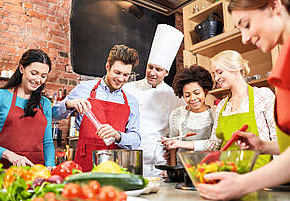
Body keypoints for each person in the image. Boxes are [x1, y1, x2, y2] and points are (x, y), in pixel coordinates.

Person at [196, 0, 290, 200]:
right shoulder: (284, 65)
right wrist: (263, 146)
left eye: (246, 24)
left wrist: (243, 183)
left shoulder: (264, 94)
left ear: (274, 5)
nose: (245, 39)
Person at [53, 44, 141, 171]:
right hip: (85, 163)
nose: (121, 79)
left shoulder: (131, 101)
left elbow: (136, 139)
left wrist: (118, 135)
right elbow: (52, 115)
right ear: (107, 67)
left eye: (126, 75)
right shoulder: (84, 89)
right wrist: (67, 104)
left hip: (115, 167)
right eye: (117, 73)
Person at [123, 24, 184, 176]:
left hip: (158, 162)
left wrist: (171, 161)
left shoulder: (174, 95)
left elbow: (177, 132)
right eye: (150, 67)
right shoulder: (128, 89)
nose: (152, 73)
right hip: (130, 158)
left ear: (166, 72)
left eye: (158, 69)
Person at [0, 49, 55, 169]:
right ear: (21, 69)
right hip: (4, 170)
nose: (38, 80)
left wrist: (50, 165)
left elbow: (48, 142)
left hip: (35, 171)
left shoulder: (44, 103)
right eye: (34, 73)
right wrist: (8, 154)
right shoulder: (0, 96)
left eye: (43, 76)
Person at [161, 65, 214, 163]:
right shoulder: (177, 114)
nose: (192, 98)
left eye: (197, 93)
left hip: (209, 168)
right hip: (183, 168)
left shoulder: (215, 113)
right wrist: (173, 169)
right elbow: (173, 146)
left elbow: (215, 144)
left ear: (205, 91)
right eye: (187, 95)